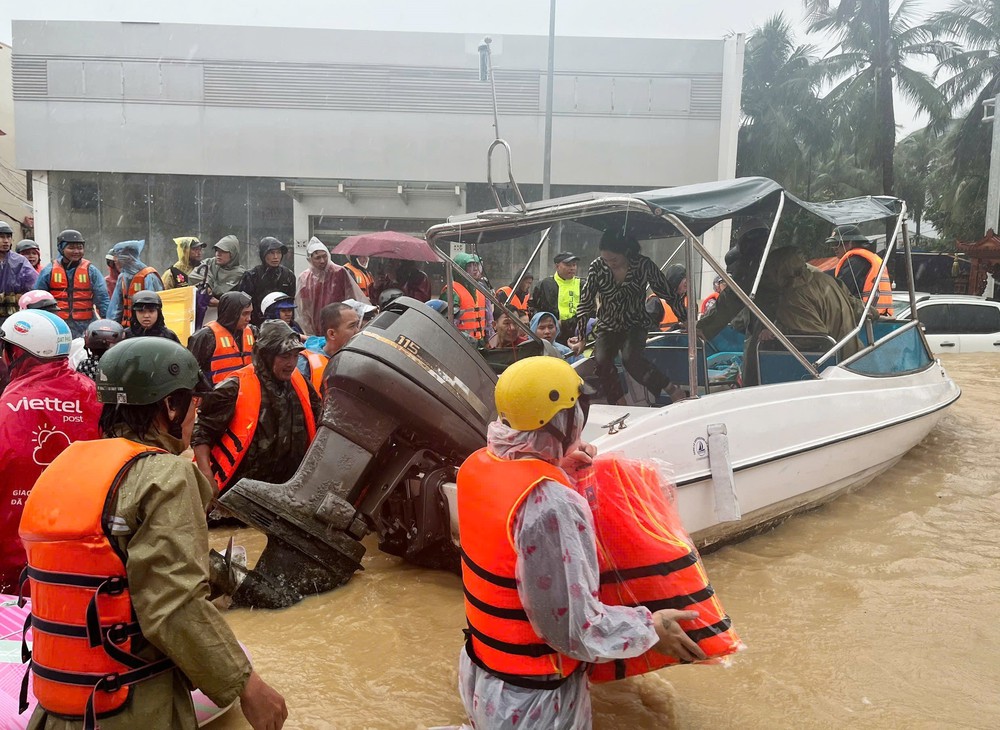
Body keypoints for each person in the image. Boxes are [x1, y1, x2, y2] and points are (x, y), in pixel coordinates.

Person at [19, 336, 287, 729]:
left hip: (55, 709)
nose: (197, 412)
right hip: (133, 708)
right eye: (193, 402)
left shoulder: (62, 466)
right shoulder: (167, 476)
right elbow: (174, 605)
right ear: (170, 405)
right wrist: (247, 685)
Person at [456, 356, 704, 730]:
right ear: (563, 421)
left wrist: (557, 464)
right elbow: (573, 628)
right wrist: (651, 628)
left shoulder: (478, 464)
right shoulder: (550, 505)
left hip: (483, 674)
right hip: (534, 700)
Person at [0, 309, 101, 593]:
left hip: (16, 566)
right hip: (87, 559)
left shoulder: (6, 407)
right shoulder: (95, 395)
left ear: (15, 353)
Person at [193, 320, 320, 495]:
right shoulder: (234, 388)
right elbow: (201, 433)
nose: (291, 363)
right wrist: (207, 477)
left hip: (287, 489)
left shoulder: (300, 382)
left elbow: (320, 417)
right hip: (240, 492)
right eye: (285, 356)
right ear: (266, 355)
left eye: (295, 356)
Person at [578, 230, 687, 404]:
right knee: (601, 359)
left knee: (631, 358)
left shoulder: (643, 265)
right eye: (606, 259)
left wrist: (686, 319)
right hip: (608, 323)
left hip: (635, 322)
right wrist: (581, 338)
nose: (610, 264)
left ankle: (670, 388)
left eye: (614, 259)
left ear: (627, 252)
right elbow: (585, 302)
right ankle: (618, 401)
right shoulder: (597, 267)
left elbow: (667, 293)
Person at [696, 220, 779, 387]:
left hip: (770, 332)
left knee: (754, 377)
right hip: (802, 335)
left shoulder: (754, 268)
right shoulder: (785, 264)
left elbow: (730, 300)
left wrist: (701, 328)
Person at [760, 246, 863, 359]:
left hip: (829, 361)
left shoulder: (793, 297)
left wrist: (776, 334)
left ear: (779, 269)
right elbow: (858, 307)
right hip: (854, 356)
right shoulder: (826, 279)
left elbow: (813, 336)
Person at [34, 229, 110, 338]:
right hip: (57, 324)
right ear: (61, 248)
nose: (76, 251)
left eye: (80, 248)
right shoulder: (49, 271)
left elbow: (102, 298)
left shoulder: (91, 271)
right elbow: (38, 298)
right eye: (71, 248)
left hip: (85, 326)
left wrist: (107, 322)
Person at [187, 291, 257, 385]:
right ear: (231, 313)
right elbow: (189, 373)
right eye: (244, 314)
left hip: (247, 390)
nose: (249, 319)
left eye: (250, 313)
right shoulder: (206, 336)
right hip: (216, 393)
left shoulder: (253, 332)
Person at [829, 224, 894, 317]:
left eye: (837, 244)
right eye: (833, 245)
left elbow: (840, 291)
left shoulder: (855, 261)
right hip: (879, 316)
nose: (835, 248)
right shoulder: (872, 258)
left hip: (865, 318)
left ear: (851, 243)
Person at [295, 238, 356, 336]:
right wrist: (309, 332)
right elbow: (304, 309)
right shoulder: (305, 278)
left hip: (339, 324)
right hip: (315, 328)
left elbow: (351, 297)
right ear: (310, 259)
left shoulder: (339, 273)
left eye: (324, 256)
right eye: (317, 258)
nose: (322, 261)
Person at [297, 302, 359, 393]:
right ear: (332, 334)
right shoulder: (305, 364)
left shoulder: (360, 357)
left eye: (357, 325)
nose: (358, 331)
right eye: (352, 326)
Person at [237, 237, 296, 328]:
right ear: (263, 254)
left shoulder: (288, 275)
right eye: (271, 253)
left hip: (283, 327)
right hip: (256, 325)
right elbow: (244, 305)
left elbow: (290, 304)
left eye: (278, 252)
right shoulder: (252, 276)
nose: (275, 257)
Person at [107, 239, 163, 327]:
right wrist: (112, 326)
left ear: (128, 258)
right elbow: (116, 307)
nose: (115, 260)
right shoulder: (122, 277)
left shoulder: (148, 276)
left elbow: (156, 306)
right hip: (127, 328)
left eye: (118, 257)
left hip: (146, 327)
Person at [531, 252, 582, 345]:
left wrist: (565, 324)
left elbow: (589, 312)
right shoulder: (546, 284)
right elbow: (534, 307)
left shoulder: (582, 284)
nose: (572, 268)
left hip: (577, 333)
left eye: (574, 265)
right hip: (550, 335)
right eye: (568, 265)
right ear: (557, 266)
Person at [441, 252, 491, 344]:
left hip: (481, 342)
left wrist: (490, 340)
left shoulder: (481, 289)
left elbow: (489, 319)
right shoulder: (452, 291)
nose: (475, 269)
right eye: (470, 266)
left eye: (476, 265)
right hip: (462, 344)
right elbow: (447, 324)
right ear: (460, 268)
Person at [189, 234, 246, 308]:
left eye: (223, 251)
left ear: (232, 253)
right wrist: (207, 285)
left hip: (227, 313)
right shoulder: (209, 263)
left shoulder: (241, 274)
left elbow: (243, 303)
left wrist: (221, 304)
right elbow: (196, 274)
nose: (218, 254)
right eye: (217, 250)